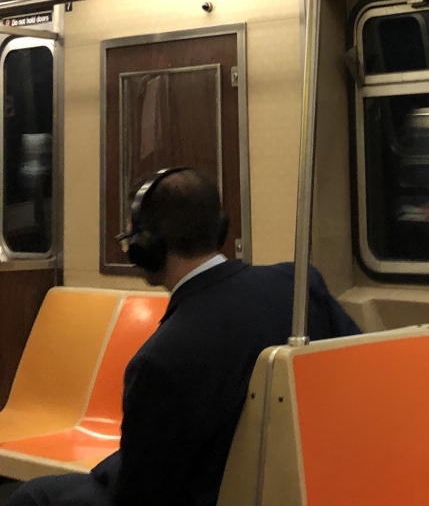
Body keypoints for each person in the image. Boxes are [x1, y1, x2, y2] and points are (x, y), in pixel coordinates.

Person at [10, 168, 360, 506]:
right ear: (219, 228)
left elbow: (140, 495)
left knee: (35, 496)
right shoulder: (298, 285)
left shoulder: (160, 361)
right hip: (313, 479)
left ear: (146, 247)